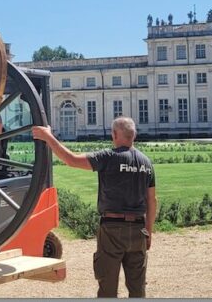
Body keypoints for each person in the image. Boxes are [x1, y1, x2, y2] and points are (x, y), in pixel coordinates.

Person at [32, 116, 156, 298]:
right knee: (138, 289)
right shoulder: (146, 163)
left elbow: (71, 160)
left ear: (114, 135)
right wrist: (149, 232)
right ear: (133, 135)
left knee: (107, 288)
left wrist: (48, 137)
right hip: (138, 230)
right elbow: (152, 201)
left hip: (112, 229)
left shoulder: (108, 157)